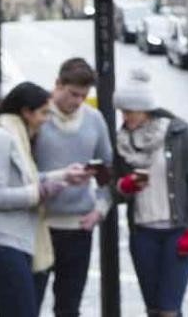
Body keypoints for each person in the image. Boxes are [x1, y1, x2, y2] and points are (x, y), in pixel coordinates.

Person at [0, 82, 92, 316]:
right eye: (43, 113)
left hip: (9, 244)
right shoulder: (1, 140)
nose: (47, 119)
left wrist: (64, 176)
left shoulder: (16, 137)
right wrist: (38, 193)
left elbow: (21, 179)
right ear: (26, 112)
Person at [113, 68, 188, 317]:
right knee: (153, 309)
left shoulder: (179, 132)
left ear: (145, 108)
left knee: (168, 309)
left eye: (129, 111)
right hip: (142, 234)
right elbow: (114, 187)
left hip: (177, 234)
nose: (125, 117)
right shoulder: (123, 140)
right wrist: (126, 186)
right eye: (122, 112)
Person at [31, 58, 113, 316]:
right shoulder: (37, 118)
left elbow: (107, 171)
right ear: (57, 84)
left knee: (69, 307)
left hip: (79, 228)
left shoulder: (94, 120)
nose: (77, 101)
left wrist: (100, 209)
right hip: (39, 226)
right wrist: (60, 178)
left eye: (83, 95)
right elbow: (22, 174)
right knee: (28, 304)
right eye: (73, 94)